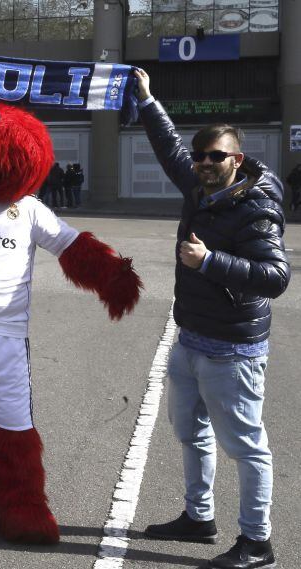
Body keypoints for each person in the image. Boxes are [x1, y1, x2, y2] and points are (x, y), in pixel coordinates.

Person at [135, 68, 289, 569]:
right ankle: (199, 518)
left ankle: (257, 543)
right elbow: (169, 150)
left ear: (236, 160)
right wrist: (148, 100)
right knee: (191, 433)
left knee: (246, 447)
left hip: (233, 348)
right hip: (192, 339)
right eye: (201, 156)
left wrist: (211, 262)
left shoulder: (256, 208)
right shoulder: (201, 188)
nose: (203, 162)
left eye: (215, 156)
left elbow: (275, 277)